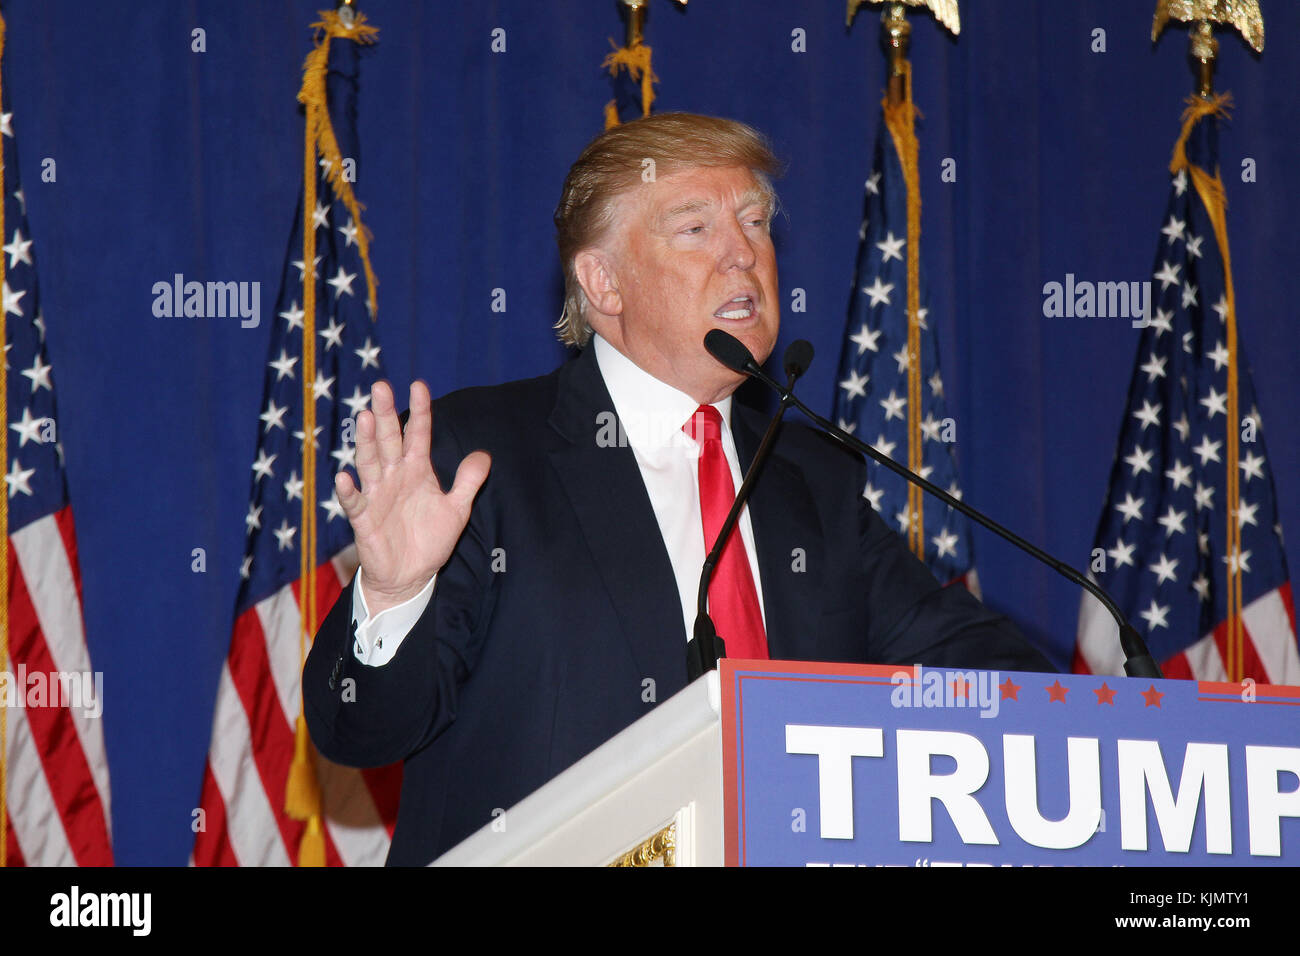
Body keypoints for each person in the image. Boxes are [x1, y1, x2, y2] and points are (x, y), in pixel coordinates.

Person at [303, 112, 1051, 866]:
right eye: (695, 230)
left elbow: (982, 666)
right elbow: (360, 731)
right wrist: (392, 598)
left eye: (755, 222)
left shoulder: (811, 479)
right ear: (603, 284)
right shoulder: (484, 455)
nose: (744, 254)